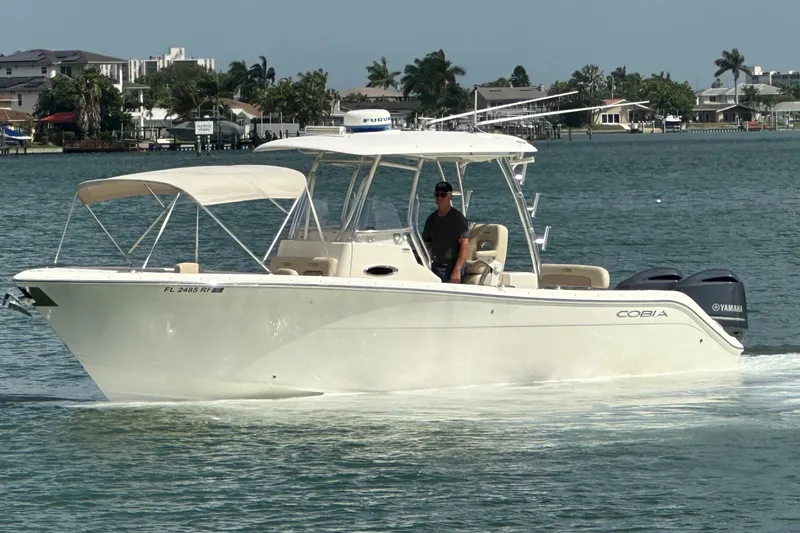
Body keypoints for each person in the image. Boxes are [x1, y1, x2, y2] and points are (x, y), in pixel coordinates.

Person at [422, 181, 470, 283]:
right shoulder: (431, 219)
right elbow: (426, 243)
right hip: (435, 266)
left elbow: (464, 245)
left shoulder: (458, 219)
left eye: (442, 195)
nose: (439, 198)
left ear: (450, 196)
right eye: (437, 195)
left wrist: (457, 270)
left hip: (452, 267)